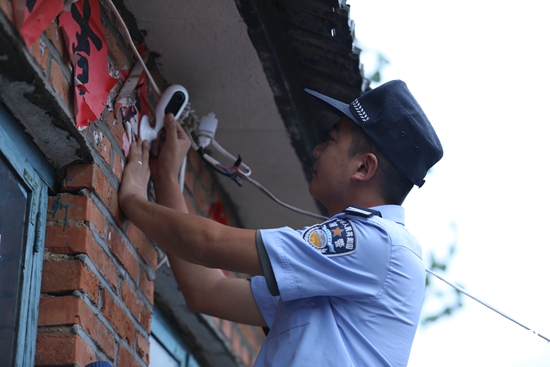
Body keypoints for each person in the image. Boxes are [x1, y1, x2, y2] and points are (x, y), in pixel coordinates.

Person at [119, 80, 443, 366]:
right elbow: (208, 291)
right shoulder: (343, 268)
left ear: (363, 167)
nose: (317, 151)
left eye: (331, 140)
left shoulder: (375, 241)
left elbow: (210, 244)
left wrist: (133, 199)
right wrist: (166, 180)